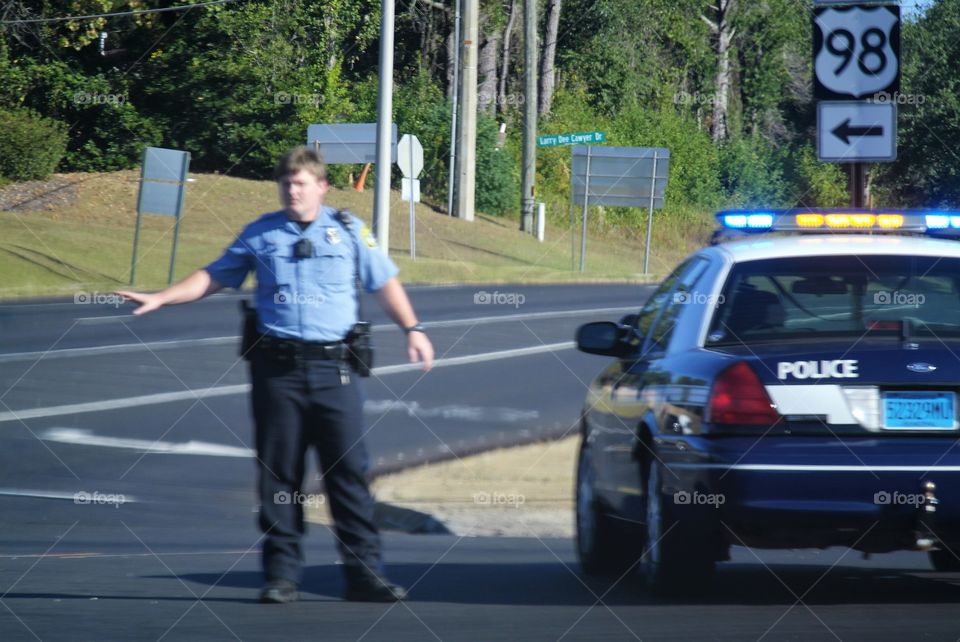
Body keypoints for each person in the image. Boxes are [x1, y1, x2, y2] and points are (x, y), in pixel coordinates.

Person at [117, 146, 434, 604]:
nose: (292, 189)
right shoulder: (261, 234)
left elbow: (384, 281)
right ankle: (282, 575)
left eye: (301, 182)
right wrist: (161, 297)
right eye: (286, 182)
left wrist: (413, 328)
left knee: (347, 472)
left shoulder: (348, 232)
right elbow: (215, 276)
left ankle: (365, 574)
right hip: (278, 372)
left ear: (322, 187)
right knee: (279, 477)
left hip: (334, 370)